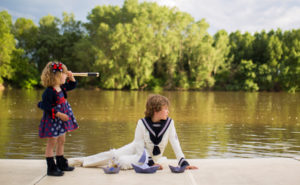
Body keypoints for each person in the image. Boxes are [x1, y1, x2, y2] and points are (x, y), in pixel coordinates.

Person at [70, 94, 197, 170]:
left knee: (121, 162)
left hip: (151, 156)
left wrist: (183, 163)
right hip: (139, 150)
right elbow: (139, 145)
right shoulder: (142, 123)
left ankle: (153, 161)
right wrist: (151, 164)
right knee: (114, 154)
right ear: (156, 110)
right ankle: (81, 161)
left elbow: (175, 143)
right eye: (165, 109)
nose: (168, 112)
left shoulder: (170, 123)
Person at [38, 61, 78, 176]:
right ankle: (51, 168)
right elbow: (46, 107)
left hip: (62, 119)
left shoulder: (62, 87)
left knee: (62, 140)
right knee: (52, 142)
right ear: (56, 76)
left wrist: (72, 77)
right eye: (64, 73)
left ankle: (61, 163)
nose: (66, 75)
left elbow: (73, 85)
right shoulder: (49, 92)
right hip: (53, 119)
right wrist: (59, 115)